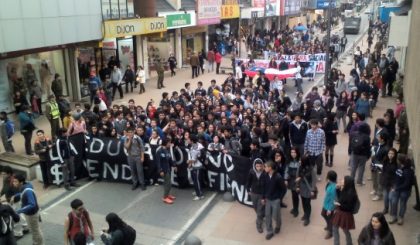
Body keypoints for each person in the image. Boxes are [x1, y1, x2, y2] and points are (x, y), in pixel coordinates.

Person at [11, 174, 44, 245]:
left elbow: (32, 204)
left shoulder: (27, 190)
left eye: (16, 182)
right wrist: (15, 196)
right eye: (13, 181)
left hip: (32, 214)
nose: (14, 183)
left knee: (35, 230)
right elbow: (23, 193)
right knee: (34, 230)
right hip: (30, 213)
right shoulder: (26, 186)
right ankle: (36, 242)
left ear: (21, 182)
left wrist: (20, 211)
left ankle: (38, 243)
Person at [262, 161, 286, 240]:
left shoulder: (278, 177)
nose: (264, 168)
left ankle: (278, 225)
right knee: (268, 215)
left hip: (276, 200)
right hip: (268, 199)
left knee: (276, 216)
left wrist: (280, 198)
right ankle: (270, 231)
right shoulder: (265, 175)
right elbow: (264, 187)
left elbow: (284, 189)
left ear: (270, 168)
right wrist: (263, 197)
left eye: (265, 167)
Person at [332, 176, 359, 245]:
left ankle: (349, 243)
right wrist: (338, 189)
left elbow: (349, 208)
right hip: (340, 212)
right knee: (335, 228)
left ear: (347, 182)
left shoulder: (351, 194)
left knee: (345, 230)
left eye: (343, 180)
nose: (341, 180)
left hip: (345, 214)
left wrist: (339, 204)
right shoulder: (345, 189)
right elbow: (340, 197)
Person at [389, 154, 414, 225]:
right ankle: (394, 216)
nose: (396, 160)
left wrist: (396, 188)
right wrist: (393, 185)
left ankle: (401, 218)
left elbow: (407, 184)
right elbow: (396, 176)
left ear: (400, 161)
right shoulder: (399, 166)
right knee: (394, 202)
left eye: (397, 159)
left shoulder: (408, 171)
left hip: (405, 191)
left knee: (402, 204)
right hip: (397, 187)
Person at [296, 155, 317, 226]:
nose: (300, 162)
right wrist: (297, 186)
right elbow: (297, 176)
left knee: (307, 203)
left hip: (309, 187)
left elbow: (314, 180)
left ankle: (307, 217)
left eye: (301, 161)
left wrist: (313, 190)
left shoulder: (312, 169)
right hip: (302, 186)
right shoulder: (300, 167)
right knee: (303, 201)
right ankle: (305, 214)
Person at [246, 158, 265, 233]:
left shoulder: (264, 172)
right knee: (255, 207)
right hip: (254, 192)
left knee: (259, 210)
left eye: (260, 166)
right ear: (254, 165)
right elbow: (248, 181)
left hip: (261, 193)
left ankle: (259, 225)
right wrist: (248, 190)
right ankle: (260, 216)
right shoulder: (251, 172)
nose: (259, 168)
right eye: (257, 166)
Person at [155, 138, 176, 204]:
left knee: (169, 183)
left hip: (168, 169)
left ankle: (168, 195)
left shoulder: (167, 150)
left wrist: (174, 165)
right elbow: (158, 162)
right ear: (165, 143)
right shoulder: (159, 151)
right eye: (169, 143)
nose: (170, 144)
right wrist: (160, 170)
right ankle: (165, 197)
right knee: (167, 184)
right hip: (163, 170)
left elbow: (169, 159)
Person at [284, 147, 300, 218]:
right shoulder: (288, 161)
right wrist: (285, 179)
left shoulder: (300, 161)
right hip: (291, 180)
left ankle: (296, 210)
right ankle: (294, 208)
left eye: (294, 152)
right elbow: (286, 170)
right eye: (291, 152)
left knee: (295, 196)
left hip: (297, 180)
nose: (293, 154)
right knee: (293, 195)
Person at [188, 135, 205, 201]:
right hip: (194, 165)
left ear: (192, 140)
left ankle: (199, 195)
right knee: (195, 180)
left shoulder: (197, 147)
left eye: (189, 139)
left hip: (198, 166)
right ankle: (197, 191)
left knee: (197, 180)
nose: (187, 140)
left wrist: (189, 162)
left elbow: (196, 158)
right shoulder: (193, 145)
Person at [321, 170, 337, 239]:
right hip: (326, 204)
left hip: (329, 207)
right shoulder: (330, 184)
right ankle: (329, 225)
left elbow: (333, 199)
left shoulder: (333, 188)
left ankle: (330, 232)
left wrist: (330, 209)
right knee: (323, 214)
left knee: (330, 218)